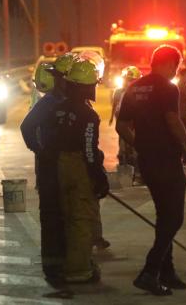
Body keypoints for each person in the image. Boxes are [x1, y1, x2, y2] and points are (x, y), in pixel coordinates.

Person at [116, 45, 186, 296]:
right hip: (166, 159)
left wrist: (140, 144)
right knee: (174, 217)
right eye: (175, 65)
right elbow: (173, 121)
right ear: (168, 63)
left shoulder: (134, 88)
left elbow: (121, 126)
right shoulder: (167, 88)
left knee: (164, 215)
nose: (175, 70)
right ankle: (150, 271)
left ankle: (167, 271)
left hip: (147, 162)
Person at [52, 53, 109, 284]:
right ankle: (79, 270)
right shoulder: (88, 115)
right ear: (86, 87)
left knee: (66, 215)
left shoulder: (58, 108)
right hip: (78, 168)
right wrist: (99, 177)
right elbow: (88, 150)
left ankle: (67, 262)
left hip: (58, 166)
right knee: (81, 219)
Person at [20, 61, 66, 285]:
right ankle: (53, 264)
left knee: (67, 214)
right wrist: (39, 150)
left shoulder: (72, 102)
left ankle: (65, 260)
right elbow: (26, 126)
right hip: (50, 165)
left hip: (66, 166)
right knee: (51, 213)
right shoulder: (48, 102)